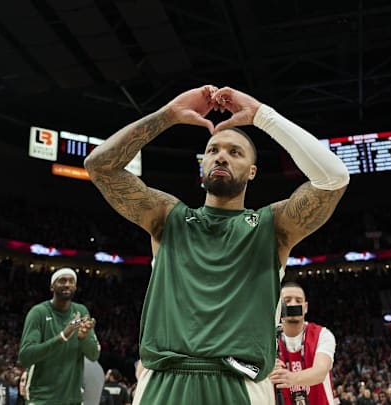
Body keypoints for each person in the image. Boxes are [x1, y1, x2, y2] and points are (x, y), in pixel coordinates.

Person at [84, 85, 349, 405]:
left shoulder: (273, 226)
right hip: (164, 382)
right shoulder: (167, 217)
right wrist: (167, 115)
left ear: (252, 171)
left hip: (242, 384)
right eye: (213, 150)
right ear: (202, 166)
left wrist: (263, 117)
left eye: (235, 152)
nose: (221, 155)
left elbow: (333, 178)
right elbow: (99, 166)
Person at [18, 267, 101, 405]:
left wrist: (83, 338)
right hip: (42, 399)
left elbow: (94, 355)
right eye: (62, 281)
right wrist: (62, 336)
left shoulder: (81, 311)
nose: (67, 284)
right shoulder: (38, 313)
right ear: (52, 286)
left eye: (71, 281)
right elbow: (25, 357)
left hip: (73, 400)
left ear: (75, 286)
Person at [269, 282, 336, 405]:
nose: (293, 304)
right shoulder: (268, 339)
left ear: (305, 307)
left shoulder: (322, 334)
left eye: (298, 300)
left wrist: (290, 378)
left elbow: (320, 372)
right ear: (278, 306)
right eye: (287, 300)